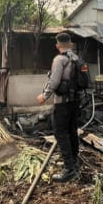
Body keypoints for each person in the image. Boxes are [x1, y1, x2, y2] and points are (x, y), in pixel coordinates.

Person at [36, 32, 80, 182]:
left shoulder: (59, 60)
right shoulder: (76, 58)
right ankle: (74, 162)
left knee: (60, 132)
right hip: (75, 102)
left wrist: (44, 95)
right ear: (71, 44)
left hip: (62, 102)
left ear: (57, 45)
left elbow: (54, 82)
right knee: (72, 131)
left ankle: (69, 169)